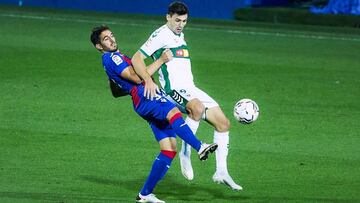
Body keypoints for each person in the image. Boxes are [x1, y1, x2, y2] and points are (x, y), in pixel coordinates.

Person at [90, 25, 218, 203]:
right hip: (146, 97)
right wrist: (162, 60)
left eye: (111, 35)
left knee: (168, 149)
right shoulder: (113, 58)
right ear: (98, 46)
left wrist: (124, 84)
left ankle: (144, 194)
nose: (111, 39)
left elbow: (116, 91)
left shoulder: (113, 59)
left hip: (142, 100)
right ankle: (199, 146)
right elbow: (136, 78)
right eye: (105, 39)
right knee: (173, 112)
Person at [131, 1, 242, 190]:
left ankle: (221, 171)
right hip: (172, 89)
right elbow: (136, 58)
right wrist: (148, 80)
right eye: (177, 20)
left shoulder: (179, 34)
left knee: (223, 123)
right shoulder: (160, 35)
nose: (180, 24)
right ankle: (186, 152)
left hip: (190, 88)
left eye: (184, 21)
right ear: (168, 17)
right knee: (196, 108)